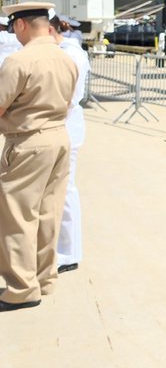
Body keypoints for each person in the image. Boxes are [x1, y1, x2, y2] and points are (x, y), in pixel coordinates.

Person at [0, 2, 78, 311]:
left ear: (20, 25)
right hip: (59, 137)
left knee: (18, 216)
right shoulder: (66, 58)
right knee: (49, 214)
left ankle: (21, 288)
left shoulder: (18, 61)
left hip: (28, 141)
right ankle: (44, 279)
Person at [50, 15, 91, 273]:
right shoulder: (63, 51)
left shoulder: (71, 54)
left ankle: (69, 253)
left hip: (66, 127)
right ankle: (64, 249)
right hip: (63, 127)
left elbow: (68, 98)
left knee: (66, 191)